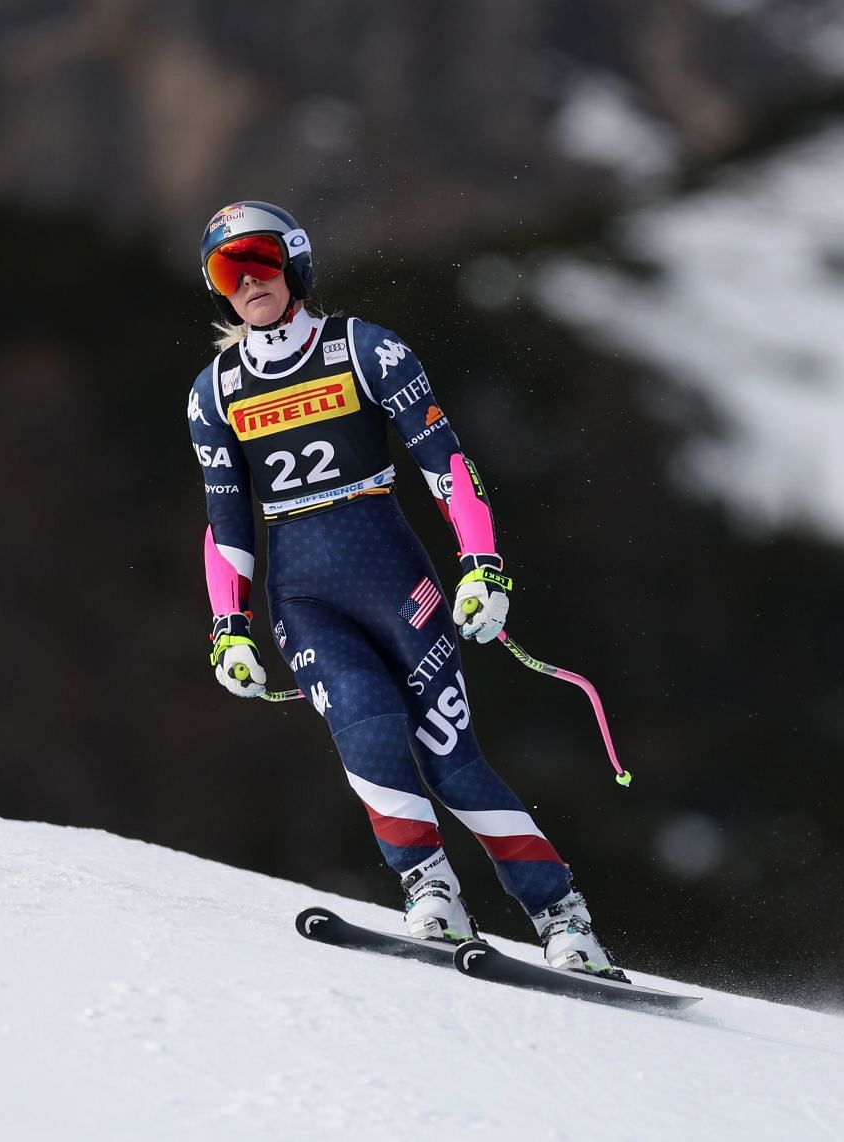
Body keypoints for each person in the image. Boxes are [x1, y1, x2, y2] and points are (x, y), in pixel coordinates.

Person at [186, 200, 624, 978]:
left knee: (449, 756)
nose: (248, 279)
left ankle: (563, 918)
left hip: (396, 578)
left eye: (260, 259)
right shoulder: (214, 393)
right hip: (305, 597)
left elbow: (447, 464)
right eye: (229, 268)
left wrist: (482, 566)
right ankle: (430, 891)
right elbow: (226, 523)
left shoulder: (365, 350)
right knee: (364, 727)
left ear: (296, 263)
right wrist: (230, 627)